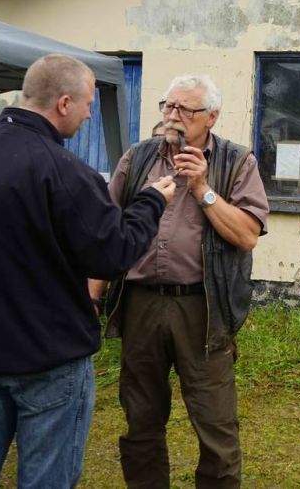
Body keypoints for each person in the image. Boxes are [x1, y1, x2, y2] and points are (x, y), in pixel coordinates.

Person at [0, 54, 176, 488]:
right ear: (65, 102)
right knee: (46, 479)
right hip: (47, 360)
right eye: (89, 103)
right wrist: (150, 202)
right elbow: (113, 253)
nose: (92, 113)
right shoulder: (65, 171)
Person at [90, 74, 268, 488]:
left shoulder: (237, 162)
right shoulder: (137, 159)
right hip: (141, 303)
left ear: (211, 117)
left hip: (201, 310)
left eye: (184, 110)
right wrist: (92, 298)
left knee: (215, 423)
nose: (172, 116)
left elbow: (245, 236)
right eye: (167, 106)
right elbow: (107, 233)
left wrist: (204, 189)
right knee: (141, 417)